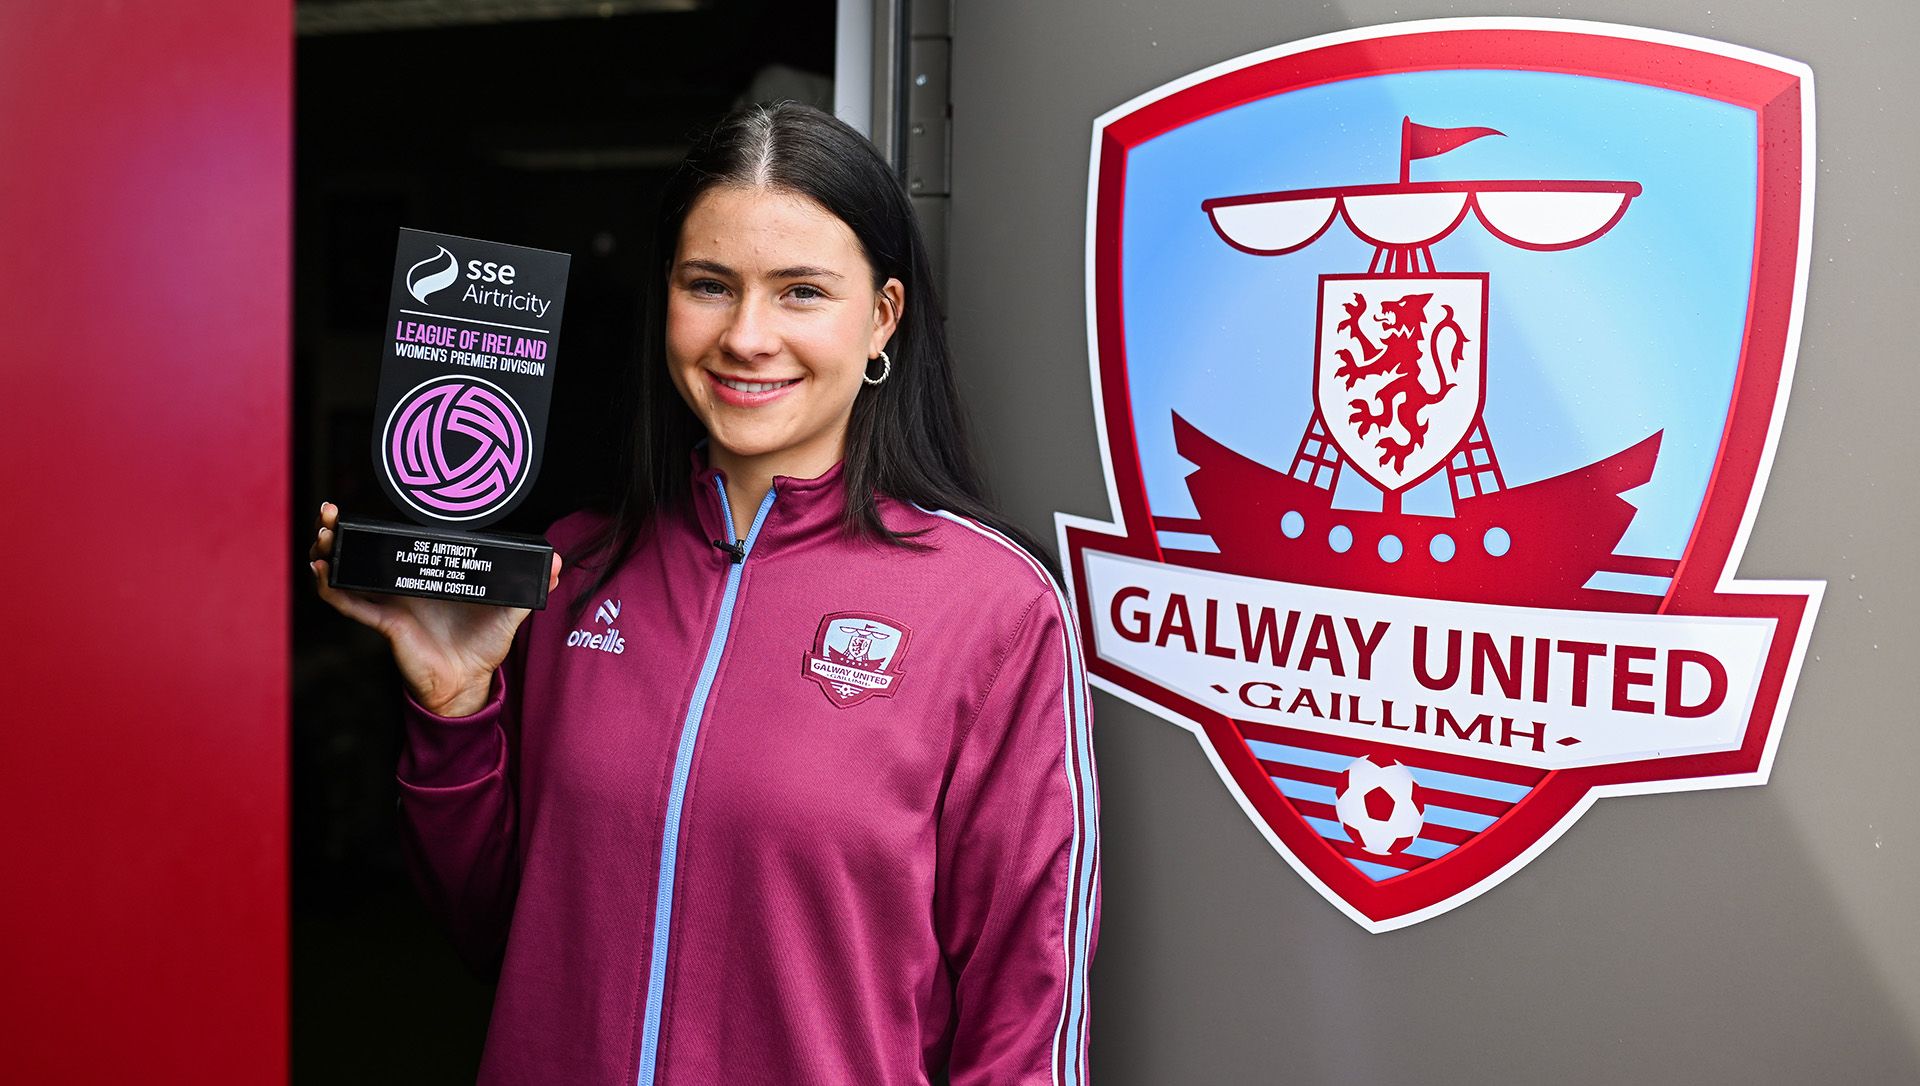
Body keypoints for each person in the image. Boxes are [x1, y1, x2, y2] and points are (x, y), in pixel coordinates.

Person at [309, 101, 1098, 1086]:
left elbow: (1026, 1001)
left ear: (883, 316)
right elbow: (500, 934)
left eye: (801, 291)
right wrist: (453, 705)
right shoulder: (567, 570)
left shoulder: (992, 606)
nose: (747, 336)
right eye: (710, 285)